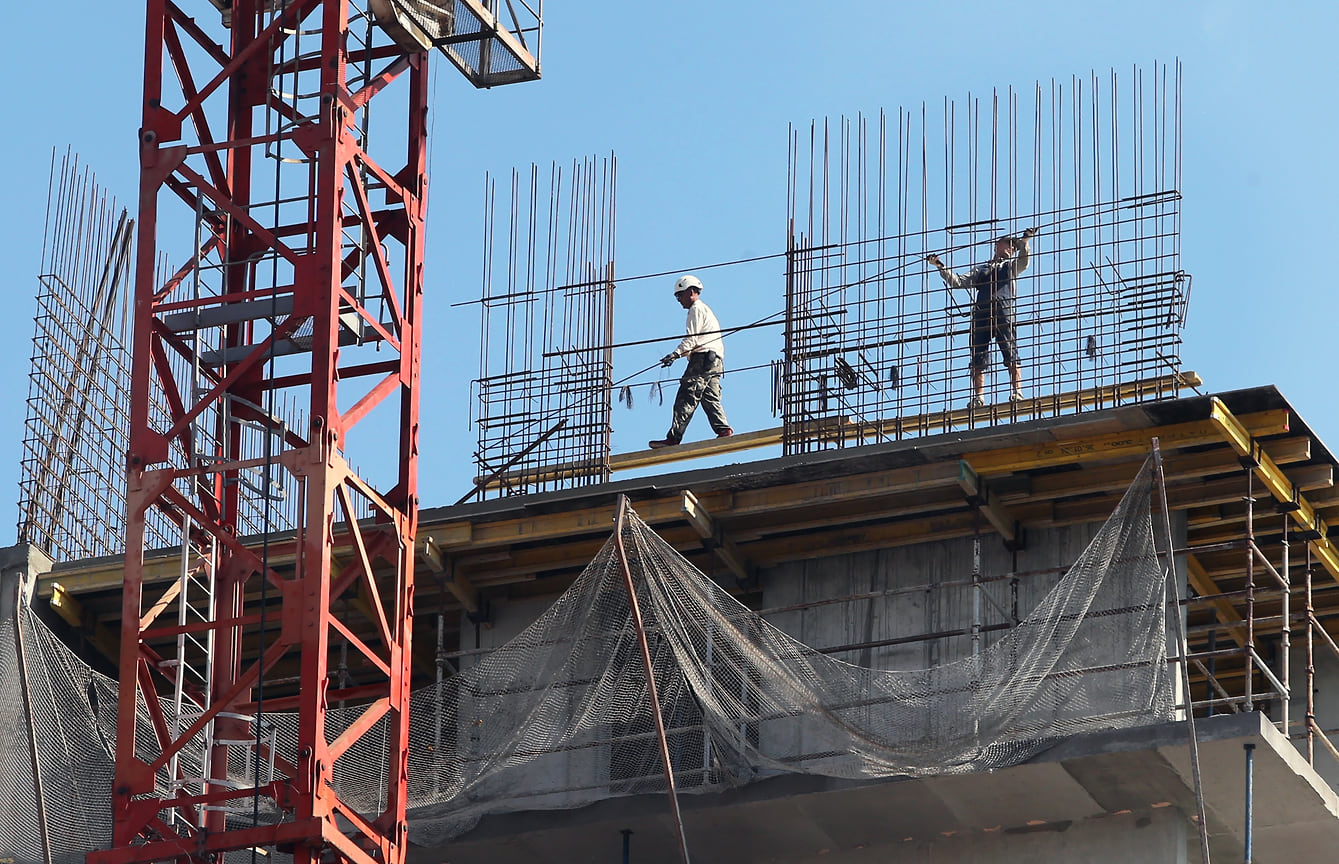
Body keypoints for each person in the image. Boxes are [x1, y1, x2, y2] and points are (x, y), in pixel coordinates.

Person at [927, 226, 1037, 409]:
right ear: (997, 245)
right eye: (1009, 244)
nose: (1012, 248)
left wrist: (1025, 241)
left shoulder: (1011, 266)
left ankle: (1017, 391)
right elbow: (958, 282)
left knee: (1010, 351)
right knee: (978, 355)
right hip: (982, 311)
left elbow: (1024, 261)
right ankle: (979, 397)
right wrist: (941, 266)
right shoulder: (982, 269)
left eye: (1014, 247)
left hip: (1004, 309)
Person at [648, 275, 734, 448]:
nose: (679, 300)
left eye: (680, 295)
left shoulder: (696, 309)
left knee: (686, 396)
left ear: (691, 292)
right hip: (715, 360)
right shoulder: (704, 310)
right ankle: (723, 430)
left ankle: (674, 437)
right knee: (709, 397)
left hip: (702, 358)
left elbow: (691, 339)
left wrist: (675, 354)